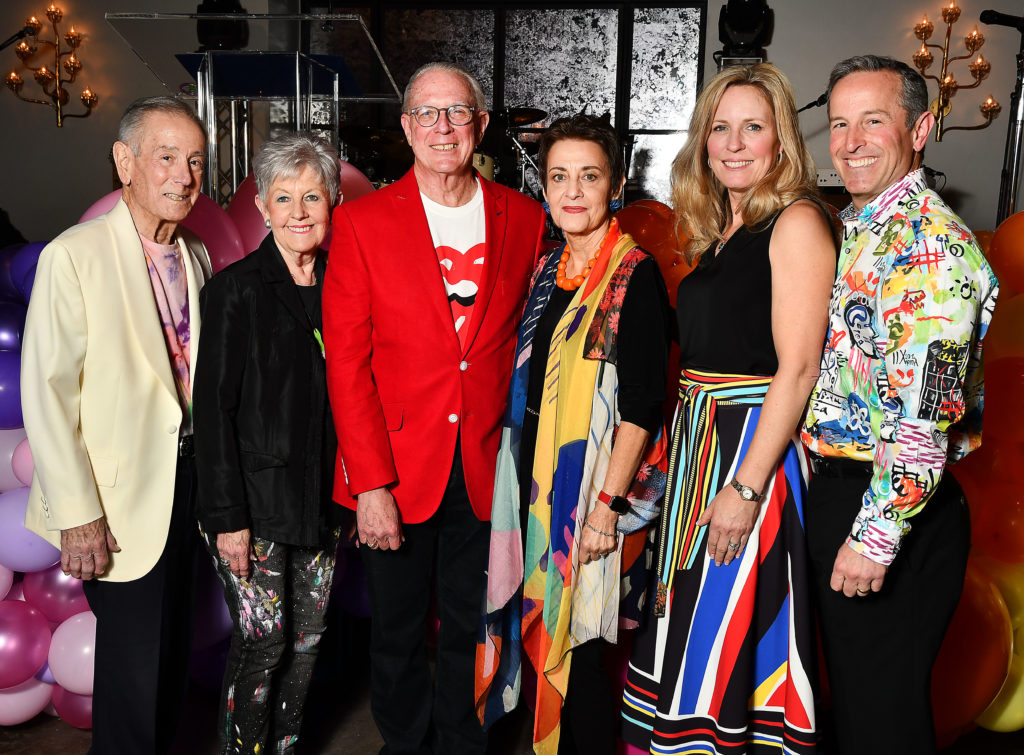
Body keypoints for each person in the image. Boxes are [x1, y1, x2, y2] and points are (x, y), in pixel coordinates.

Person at [323, 61, 546, 754]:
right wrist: (370, 484)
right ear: (406, 126)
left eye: (457, 112)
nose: (442, 127)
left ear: (480, 124)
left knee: (470, 626)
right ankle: (403, 745)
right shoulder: (360, 223)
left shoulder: (525, 217)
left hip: (486, 465)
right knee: (395, 631)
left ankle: (460, 743)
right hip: (394, 469)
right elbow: (347, 366)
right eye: (426, 112)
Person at [621, 63, 836, 754]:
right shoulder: (723, 229)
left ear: (781, 140)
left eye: (753, 127)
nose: (734, 143)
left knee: (725, 629)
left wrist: (745, 488)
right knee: (693, 624)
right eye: (720, 128)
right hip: (702, 446)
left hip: (749, 453)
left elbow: (798, 368)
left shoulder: (796, 220)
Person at [801, 55, 998, 755]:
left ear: (919, 130)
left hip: (891, 508)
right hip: (844, 492)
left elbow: (925, 416)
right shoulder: (858, 227)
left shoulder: (931, 246)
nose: (850, 142)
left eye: (873, 121)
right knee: (857, 710)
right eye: (839, 124)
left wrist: (875, 535)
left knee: (882, 723)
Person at [476, 114, 671, 754]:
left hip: (590, 498)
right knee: (536, 640)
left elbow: (642, 405)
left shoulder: (635, 274)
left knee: (583, 659)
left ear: (615, 185)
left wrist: (605, 511)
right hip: (534, 492)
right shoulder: (547, 269)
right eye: (559, 177)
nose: (573, 191)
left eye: (589, 176)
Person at [21, 96, 211, 753]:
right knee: (134, 681)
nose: (184, 175)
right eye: (167, 157)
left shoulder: (195, 253)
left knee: (170, 665)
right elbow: (47, 393)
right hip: (117, 501)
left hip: (188, 487)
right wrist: (78, 514)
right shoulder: (75, 254)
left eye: (196, 161)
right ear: (125, 163)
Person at [192, 133, 342, 755]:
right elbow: (212, 412)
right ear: (261, 207)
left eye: (312, 196)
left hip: (322, 500)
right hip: (251, 506)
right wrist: (229, 519)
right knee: (264, 641)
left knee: (307, 642)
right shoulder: (235, 290)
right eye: (284, 198)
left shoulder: (345, 283)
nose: (299, 212)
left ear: (332, 201)